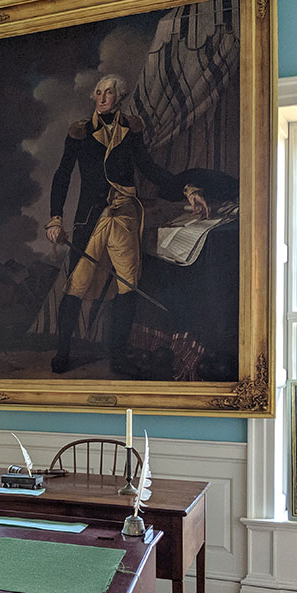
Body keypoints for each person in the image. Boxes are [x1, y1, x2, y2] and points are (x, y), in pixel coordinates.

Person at [45, 73, 213, 375]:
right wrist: (55, 217)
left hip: (125, 216)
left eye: (108, 93)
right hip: (91, 218)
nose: (101, 98)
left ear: (118, 97)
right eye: (98, 92)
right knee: (76, 285)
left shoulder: (130, 130)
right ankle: (63, 351)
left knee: (128, 286)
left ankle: (118, 355)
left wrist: (188, 189)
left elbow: (149, 168)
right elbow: (62, 175)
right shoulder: (80, 133)